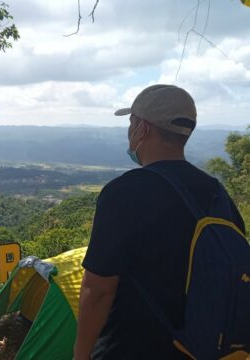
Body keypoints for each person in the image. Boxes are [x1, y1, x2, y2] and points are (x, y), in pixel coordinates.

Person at [73, 84, 246, 360]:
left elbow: (98, 290)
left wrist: (80, 355)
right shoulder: (217, 193)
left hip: (130, 348)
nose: (129, 131)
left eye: (131, 123)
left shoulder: (123, 193)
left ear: (143, 128)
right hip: (200, 348)